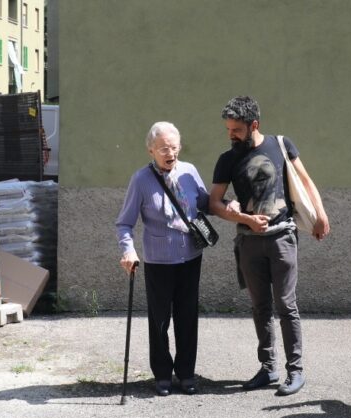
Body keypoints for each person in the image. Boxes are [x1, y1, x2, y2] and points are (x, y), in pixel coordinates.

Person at [209, 96, 330, 396]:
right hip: (249, 242)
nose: (231, 135)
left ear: (254, 125)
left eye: (236, 129)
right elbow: (214, 203)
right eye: (228, 129)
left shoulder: (281, 145)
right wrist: (242, 218)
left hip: (282, 238)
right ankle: (268, 368)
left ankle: (295, 370)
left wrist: (321, 215)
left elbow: (305, 180)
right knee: (260, 307)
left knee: (286, 305)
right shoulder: (227, 159)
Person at [117, 122, 230, 396]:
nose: (171, 153)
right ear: (151, 150)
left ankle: (186, 373)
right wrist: (128, 250)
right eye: (164, 148)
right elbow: (124, 224)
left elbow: (204, 202)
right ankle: (163, 374)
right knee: (159, 320)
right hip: (158, 261)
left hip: (191, 256)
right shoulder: (141, 180)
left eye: (175, 147)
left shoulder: (189, 171)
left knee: (187, 316)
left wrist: (228, 204)